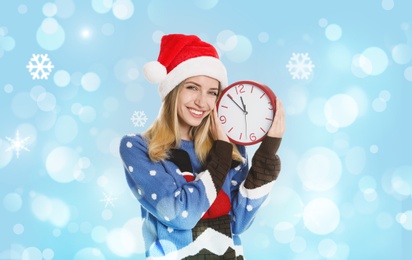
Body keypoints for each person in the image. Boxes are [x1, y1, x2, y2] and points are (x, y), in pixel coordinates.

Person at [119, 34, 285, 260]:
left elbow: (238, 223)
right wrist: (220, 158)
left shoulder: (227, 147)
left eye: (212, 92)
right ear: (172, 89)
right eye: (192, 87)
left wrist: (267, 153)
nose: (202, 101)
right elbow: (179, 215)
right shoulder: (138, 147)